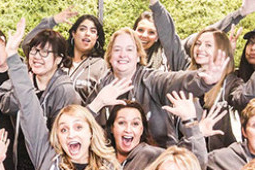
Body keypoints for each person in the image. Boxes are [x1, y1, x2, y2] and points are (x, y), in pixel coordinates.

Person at [5, 19, 124, 170]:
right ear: (56, 136)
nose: (70, 134)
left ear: (91, 133)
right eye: (63, 129)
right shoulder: (48, 157)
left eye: (78, 127)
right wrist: (12, 57)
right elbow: (29, 104)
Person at [86, 27, 227, 146]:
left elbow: (174, 81)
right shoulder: (101, 86)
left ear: (138, 56)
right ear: (110, 56)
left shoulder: (152, 79)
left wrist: (202, 81)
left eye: (129, 49)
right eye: (117, 50)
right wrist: (98, 103)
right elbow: (81, 123)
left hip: (157, 159)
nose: (123, 54)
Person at [109, 91, 223, 170]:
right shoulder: (102, 158)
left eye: (135, 124)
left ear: (141, 129)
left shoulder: (153, 156)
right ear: (112, 128)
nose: (128, 129)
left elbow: (192, 167)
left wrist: (193, 130)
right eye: (121, 123)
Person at [135, 0, 255, 71]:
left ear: (159, 35)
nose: (144, 36)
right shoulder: (123, 55)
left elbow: (208, 33)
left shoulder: (172, 53)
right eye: (140, 30)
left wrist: (240, 13)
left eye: (151, 32)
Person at [23, 7, 108, 101]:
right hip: (46, 113)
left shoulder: (100, 65)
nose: (87, 33)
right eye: (83, 29)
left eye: (93, 31)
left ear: (96, 37)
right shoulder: (59, 57)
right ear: (73, 33)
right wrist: (52, 21)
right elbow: (28, 45)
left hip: (81, 114)